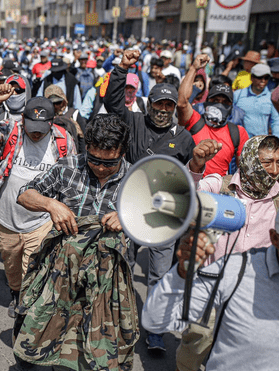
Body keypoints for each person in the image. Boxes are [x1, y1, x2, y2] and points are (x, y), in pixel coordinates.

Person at [14, 113, 138, 371]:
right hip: (62, 274)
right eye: (94, 160)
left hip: (108, 281)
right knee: (43, 334)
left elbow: (162, 219)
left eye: (110, 163)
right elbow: (24, 194)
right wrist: (51, 205)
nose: (101, 168)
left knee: (102, 346)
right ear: (86, 149)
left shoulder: (138, 180)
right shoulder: (68, 167)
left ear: (123, 153)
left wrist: (130, 217)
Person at [104, 48, 196, 351]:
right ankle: (123, 321)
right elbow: (112, 103)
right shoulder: (133, 122)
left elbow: (190, 178)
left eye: (169, 104)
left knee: (158, 275)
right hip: (130, 210)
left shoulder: (183, 137)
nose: (163, 108)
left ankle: (154, 329)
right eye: (159, 103)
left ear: (173, 108)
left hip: (165, 216)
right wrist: (121, 68)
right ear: (150, 104)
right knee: (125, 268)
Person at [0, 92, 76, 318]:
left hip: (40, 223)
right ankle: (15, 294)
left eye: (42, 126)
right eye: (31, 125)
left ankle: (28, 309)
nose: (36, 131)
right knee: (12, 268)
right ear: (23, 120)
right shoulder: (12, 130)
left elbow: (72, 178)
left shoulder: (63, 140)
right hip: (6, 220)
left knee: (33, 270)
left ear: (51, 122)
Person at [141, 213, 279, 370]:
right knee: (196, 344)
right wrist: (181, 274)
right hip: (212, 287)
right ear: (274, 238)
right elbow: (156, 319)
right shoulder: (234, 270)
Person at [188, 135, 279, 264]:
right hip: (214, 279)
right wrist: (195, 166)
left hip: (256, 282)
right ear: (250, 161)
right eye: (267, 163)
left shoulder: (277, 199)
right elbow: (187, 195)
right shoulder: (220, 187)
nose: (275, 171)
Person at [177, 54, 249, 177]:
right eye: (215, 100)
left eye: (225, 102)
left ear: (231, 106)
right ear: (207, 102)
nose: (219, 105)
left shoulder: (238, 132)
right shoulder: (195, 121)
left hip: (217, 191)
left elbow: (244, 169)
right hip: (189, 184)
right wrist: (194, 68)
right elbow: (182, 103)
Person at [234, 63, 279, 137]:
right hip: (240, 143)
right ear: (251, 78)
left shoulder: (271, 98)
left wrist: (276, 141)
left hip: (261, 144)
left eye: (266, 78)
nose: (263, 81)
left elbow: (276, 122)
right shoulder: (238, 95)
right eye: (259, 77)